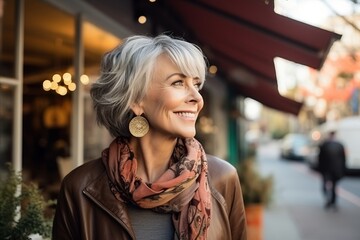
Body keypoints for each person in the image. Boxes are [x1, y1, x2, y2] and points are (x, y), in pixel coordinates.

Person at [52, 34, 247, 240]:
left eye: (196, 84)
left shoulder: (223, 179)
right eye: (178, 83)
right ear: (135, 99)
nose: (197, 98)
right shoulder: (80, 187)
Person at [318, 130, 346, 210]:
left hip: (326, 170)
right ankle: (333, 202)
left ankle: (328, 200)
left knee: (325, 185)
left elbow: (320, 159)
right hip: (336, 170)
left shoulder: (324, 145)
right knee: (334, 186)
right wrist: (343, 170)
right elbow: (343, 159)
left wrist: (320, 169)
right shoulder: (340, 145)